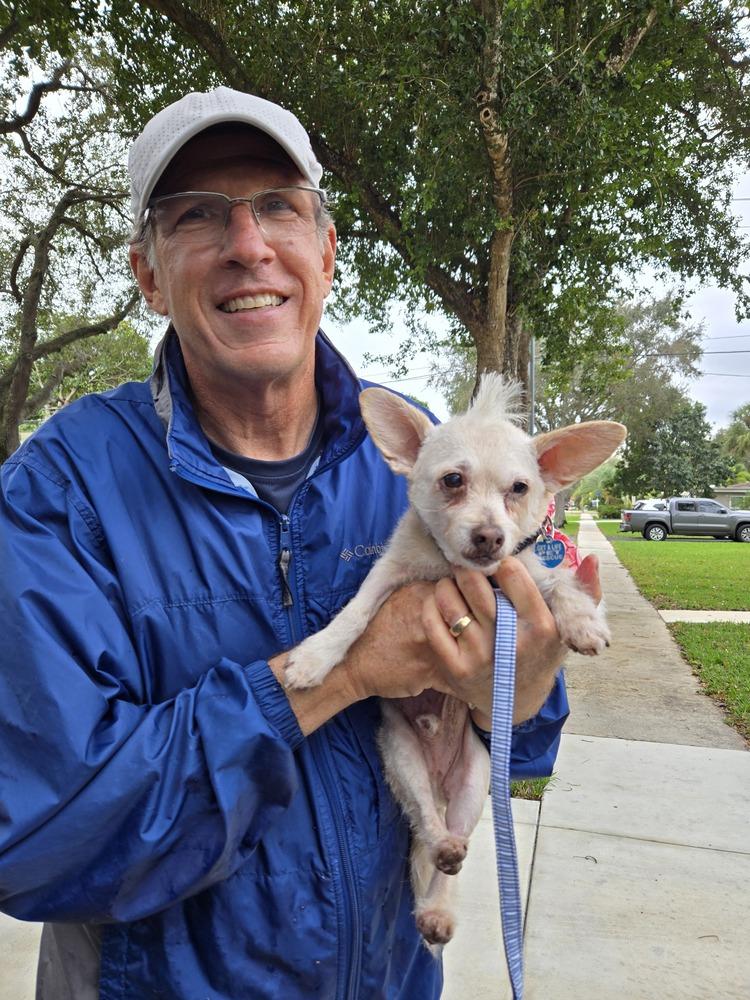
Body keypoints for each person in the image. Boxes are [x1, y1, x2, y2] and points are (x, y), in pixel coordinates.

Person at [0, 87, 599, 999]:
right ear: (148, 275)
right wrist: (337, 678)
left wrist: (522, 690)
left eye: (278, 205)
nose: (248, 245)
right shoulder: (60, 488)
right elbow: (40, 837)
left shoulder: (434, 460)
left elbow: (522, 732)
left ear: (326, 251)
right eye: (198, 214)